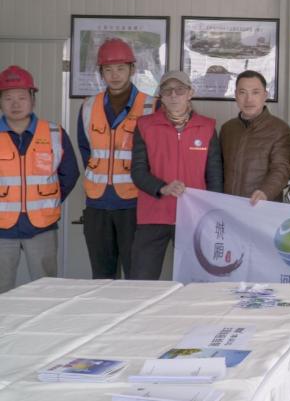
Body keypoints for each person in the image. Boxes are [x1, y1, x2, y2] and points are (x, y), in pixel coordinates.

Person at [128, 72, 223, 279]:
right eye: (167, 90)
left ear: (190, 93)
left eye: (179, 90)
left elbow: (214, 176)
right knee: (142, 280)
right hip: (154, 214)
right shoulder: (145, 125)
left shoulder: (207, 127)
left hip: (194, 217)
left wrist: (211, 214)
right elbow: (138, 171)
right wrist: (162, 188)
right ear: (160, 95)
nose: (173, 95)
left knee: (195, 281)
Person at [78, 38, 156, 279]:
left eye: (121, 68)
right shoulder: (89, 106)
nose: (115, 75)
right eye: (108, 69)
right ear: (101, 72)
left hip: (135, 203)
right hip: (97, 204)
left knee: (136, 275)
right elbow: (85, 149)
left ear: (132, 69)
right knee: (101, 276)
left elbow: (156, 156)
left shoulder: (150, 106)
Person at [0, 66, 79, 293]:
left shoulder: (54, 133)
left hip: (42, 226)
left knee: (46, 288)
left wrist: (47, 201)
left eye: (22, 97)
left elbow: (69, 174)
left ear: (33, 100)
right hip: (1, 228)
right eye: (8, 98)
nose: (15, 104)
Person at [220, 70, 290, 205]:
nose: (249, 99)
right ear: (236, 95)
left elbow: (281, 168)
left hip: (261, 206)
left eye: (255, 92)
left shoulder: (280, 129)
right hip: (229, 205)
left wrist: (265, 192)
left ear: (265, 95)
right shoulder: (227, 128)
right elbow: (219, 169)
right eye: (242, 92)